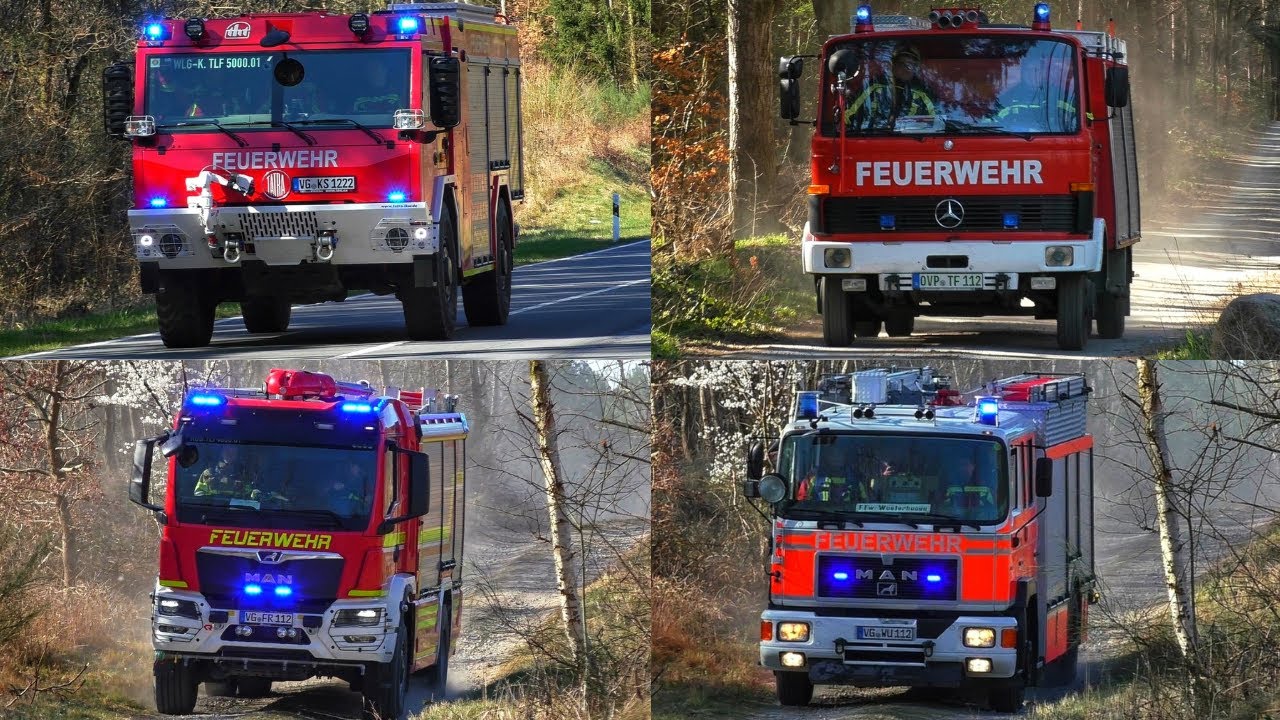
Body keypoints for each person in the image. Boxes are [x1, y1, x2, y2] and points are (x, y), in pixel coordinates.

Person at [844, 45, 937, 128]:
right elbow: (847, 118)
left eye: (911, 65)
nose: (907, 69)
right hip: (876, 141)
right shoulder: (874, 90)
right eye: (902, 64)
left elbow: (937, 125)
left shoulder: (922, 97)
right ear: (893, 66)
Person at [994, 58, 1078, 131]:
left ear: (1044, 72)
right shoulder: (1008, 97)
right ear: (1023, 72)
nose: (1033, 74)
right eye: (1029, 70)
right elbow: (992, 122)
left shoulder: (1059, 95)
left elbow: (1082, 119)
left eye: (1038, 70)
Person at [796, 443, 864, 503]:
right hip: (819, 515)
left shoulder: (855, 479)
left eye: (839, 453)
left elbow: (864, 502)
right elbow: (802, 501)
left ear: (845, 456)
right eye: (832, 453)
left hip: (850, 516)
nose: (836, 457)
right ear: (826, 456)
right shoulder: (813, 476)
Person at [193, 445, 259, 499]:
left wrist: (233, 484)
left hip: (238, 510)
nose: (230, 454)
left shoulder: (246, 473)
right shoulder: (208, 473)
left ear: (237, 454)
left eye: (233, 451)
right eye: (227, 451)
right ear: (221, 453)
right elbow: (198, 493)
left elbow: (253, 495)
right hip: (212, 509)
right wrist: (208, 498)